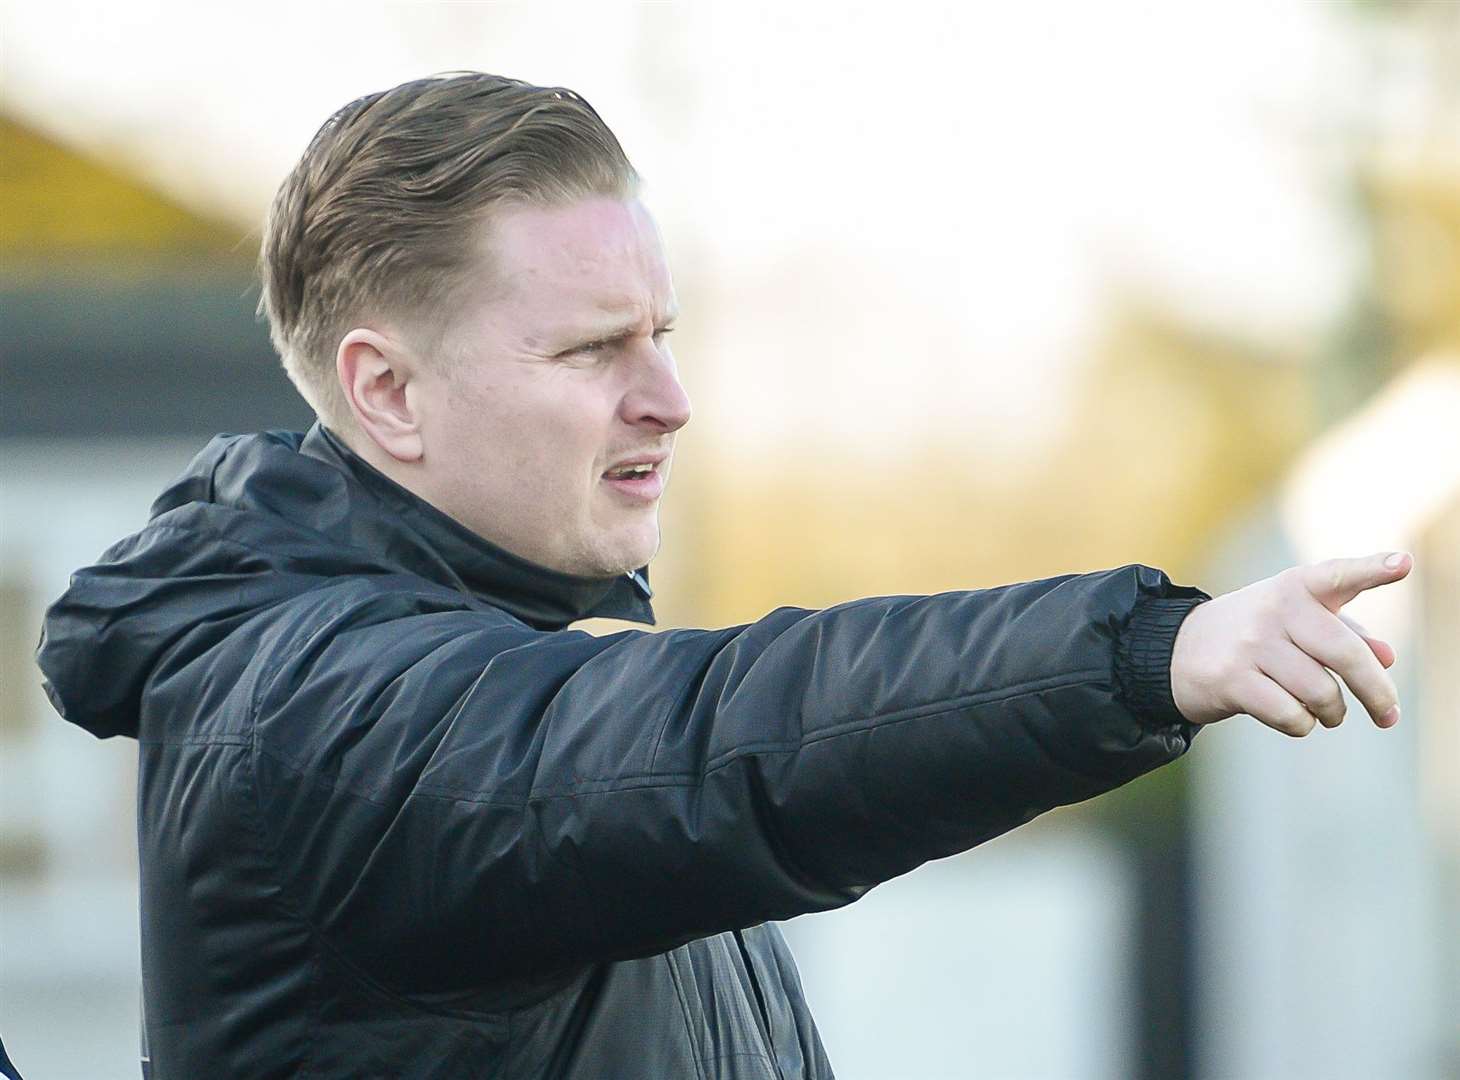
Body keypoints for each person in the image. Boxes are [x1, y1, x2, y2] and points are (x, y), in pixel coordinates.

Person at [34, 72, 1411, 1079]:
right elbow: (725, 735)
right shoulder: (319, 718)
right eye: (593, 351)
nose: (670, 398)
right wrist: (1133, 652)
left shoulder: (495, 663)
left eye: (663, 334)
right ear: (386, 392)